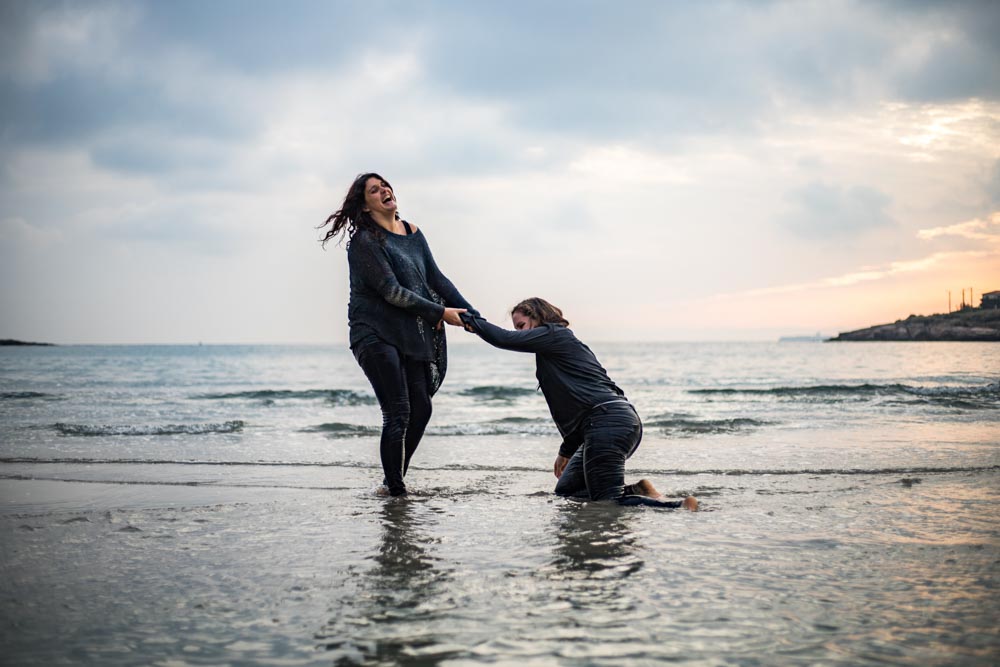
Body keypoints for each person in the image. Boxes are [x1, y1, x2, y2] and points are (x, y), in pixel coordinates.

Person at [320, 173, 476, 497]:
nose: (384, 191)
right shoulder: (365, 241)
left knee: (422, 408)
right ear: (364, 205)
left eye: (385, 186)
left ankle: (393, 480)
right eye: (374, 190)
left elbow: (437, 279)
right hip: (373, 333)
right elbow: (393, 292)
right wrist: (440, 313)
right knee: (399, 411)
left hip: (408, 332)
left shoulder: (413, 232)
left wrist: (471, 314)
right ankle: (396, 490)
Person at [460, 298, 698, 509]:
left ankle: (680, 507)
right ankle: (639, 490)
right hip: (608, 423)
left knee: (609, 501)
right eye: (517, 329)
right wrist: (566, 451)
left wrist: (467, 319)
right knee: (566, 491)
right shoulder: (553, 351)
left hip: (608, 422)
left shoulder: (555, 334)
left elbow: (503, 338)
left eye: (522, 327)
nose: (520, 334)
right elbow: (576, 408)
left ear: (538, 317)